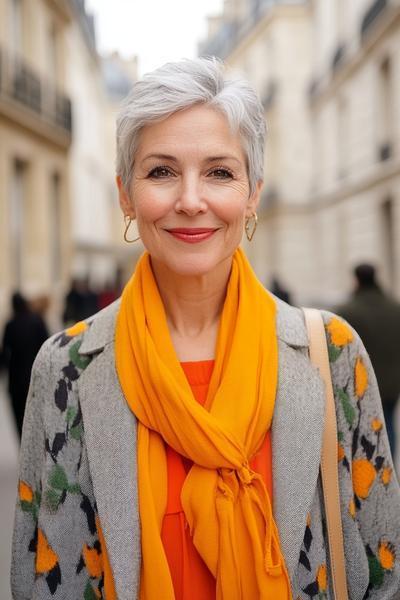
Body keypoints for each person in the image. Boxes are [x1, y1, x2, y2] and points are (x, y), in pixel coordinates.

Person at [11, 58, 400, 600]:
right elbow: (43, 582)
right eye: (161, 171)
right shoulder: (66, 370)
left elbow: (384, 573)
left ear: (252, 192)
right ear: (125, 194)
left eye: (219, 172)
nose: (191, 200)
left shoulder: (332, 357)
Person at [337, 263, 400, 458]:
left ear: (356, 280)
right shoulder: (394, 308)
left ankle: (378, 467)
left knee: (368, 427)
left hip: (363, 380)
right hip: (392, 380)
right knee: (388, 421)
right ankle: (389, 468)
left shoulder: (348, 311)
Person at [1, 292, 48, 438]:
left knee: (19, 417)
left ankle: (23, 447)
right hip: (35, 377)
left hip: (16, 381)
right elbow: (47, 347)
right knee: (36, 416)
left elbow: (4, 354)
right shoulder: (37, 321)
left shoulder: (10, 325)